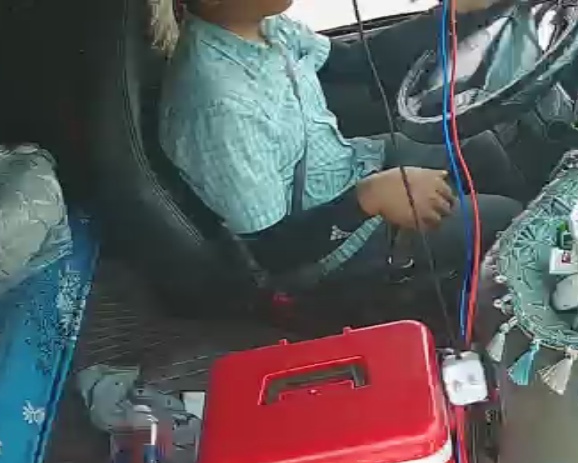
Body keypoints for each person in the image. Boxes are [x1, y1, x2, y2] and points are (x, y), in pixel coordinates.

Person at [158, 0, 526, 297]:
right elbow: (273, 251)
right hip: (331, 247)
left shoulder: (265, 28)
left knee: (478, 146)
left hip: (352, 167)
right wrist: (368, 198)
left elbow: (354, 63)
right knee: (508, 221)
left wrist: (451, 15)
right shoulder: (219, 106)